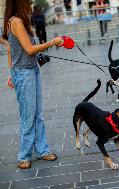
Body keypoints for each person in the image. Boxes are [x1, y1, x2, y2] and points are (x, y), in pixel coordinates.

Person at [2, 0, 63, 169]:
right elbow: (29, 49)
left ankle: (42, 151)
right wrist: (52, 42)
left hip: (30, 70)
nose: (29, 4)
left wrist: (10, 69)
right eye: (27, 1)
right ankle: (24, 156)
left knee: (38, 114)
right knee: (28, 116)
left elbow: (10, 47)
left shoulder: (19, 21)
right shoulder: (15, 21)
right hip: (24, 73)